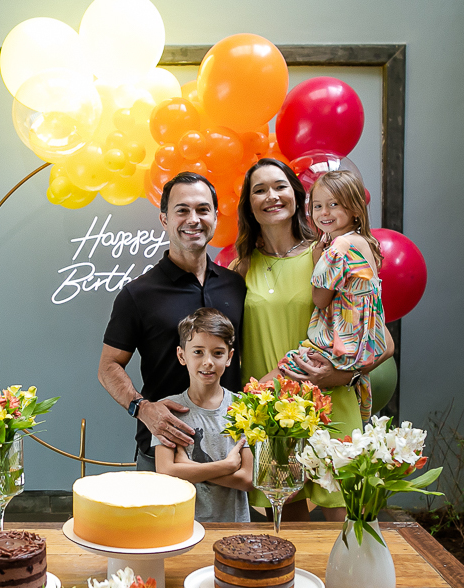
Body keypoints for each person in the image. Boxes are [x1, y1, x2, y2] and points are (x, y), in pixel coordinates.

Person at [230, 158, 395, 523]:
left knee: (352, 528)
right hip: (275, 417)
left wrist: (338, 377)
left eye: (280, 186)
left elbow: (383, 342)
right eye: (260, 189)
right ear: (249, 204)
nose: (271, 196)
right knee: (288, 535)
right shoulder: (239, 269)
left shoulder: (326, 254)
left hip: (331, 404)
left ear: (296, 196)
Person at [98, 173, 247, 471]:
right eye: (182, 210)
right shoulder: (137, 294)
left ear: (216, 218)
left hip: (229, 449)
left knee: (233, 522)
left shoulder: (235, 285)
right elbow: (108, 367)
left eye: (203, 210)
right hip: (163, 450)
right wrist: (142, 408)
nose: (194, 219)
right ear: (164, 219)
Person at [278, 170, 391, 422]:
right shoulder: (363, 242)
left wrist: (317, 260)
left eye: (333, 204)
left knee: (285, 371)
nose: (324, 213)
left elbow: (320, 299)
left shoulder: (338, 248)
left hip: (343, 344)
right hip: (367, 342)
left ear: (354, 209)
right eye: (317, 206)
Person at [151, 308, 253, 523]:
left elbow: (247, 479)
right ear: (182, 355)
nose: (208, 362)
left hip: (233, 525)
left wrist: (187, 468)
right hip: (182, 524)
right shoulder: (169, 410)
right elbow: (166, 472)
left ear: (229, 357)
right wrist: (226, 466)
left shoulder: (243, 407)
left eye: (217, 353)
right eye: (198, 352)